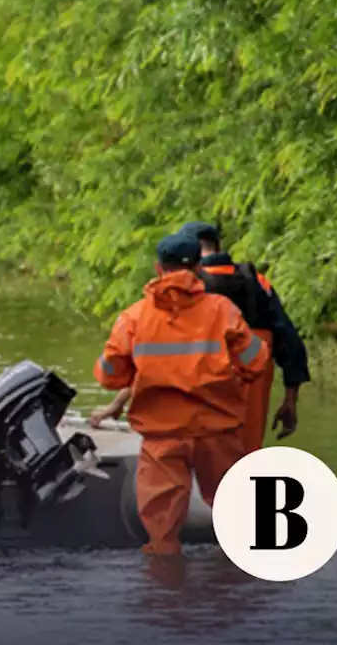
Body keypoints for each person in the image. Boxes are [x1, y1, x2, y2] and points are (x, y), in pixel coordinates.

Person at [93, 233, 270, 556]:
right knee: (240, 520)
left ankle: (169, 595)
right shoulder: (223, 311)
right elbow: (256, 362)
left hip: (163, 435)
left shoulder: (134, 317)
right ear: (200, 267)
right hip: (216, 430)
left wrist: (136, 375)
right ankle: (247, 589)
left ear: (158, 267)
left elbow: (108, 374)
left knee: (161, 536)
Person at [90, 222, 309, 453]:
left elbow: (158, 358)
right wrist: (290, 400)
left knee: (190, 448)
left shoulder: (186, 292)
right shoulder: (256, 281)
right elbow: (289, 340)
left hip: (206, 386)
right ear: (218, 246)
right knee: (242, 453)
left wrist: (117, 404)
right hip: (253, 380)